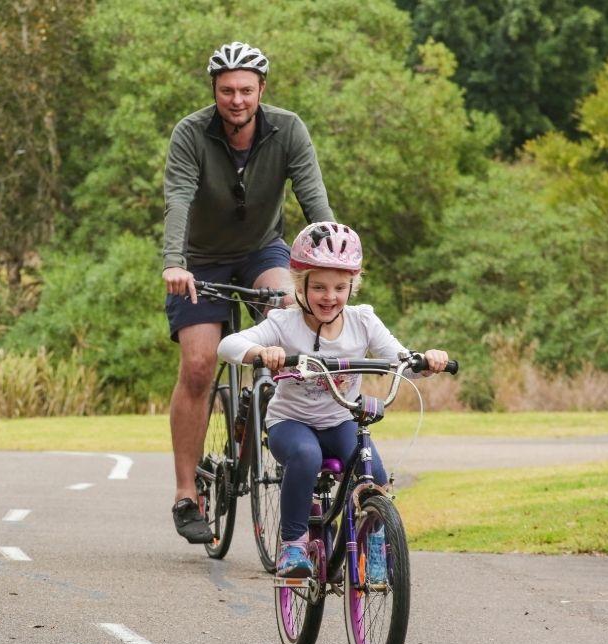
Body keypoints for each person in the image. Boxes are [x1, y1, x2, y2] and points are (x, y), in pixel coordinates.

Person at [163, 41, 335, 543]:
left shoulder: (289, 129)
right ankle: (185, 494)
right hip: (198, 259)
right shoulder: (191, 133)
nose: (236, 100)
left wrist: (329, 260)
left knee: (291, 308)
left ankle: (291, 435)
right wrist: (174, 263)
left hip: (262, 250)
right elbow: (178, 197)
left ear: (262, 90)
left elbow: (314, 199)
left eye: (245, 90)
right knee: (198, 364)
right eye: (225, 91)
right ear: (213, 92)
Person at [217, 222, 449, 577]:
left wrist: (427, 360)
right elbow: (228, 345)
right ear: (301, 285)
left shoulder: (363, 321)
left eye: (341, 287)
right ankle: (293, 546)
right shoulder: (284, 323)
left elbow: (402, 361)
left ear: (352, 286)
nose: (330, 297)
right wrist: (261, 352)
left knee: (374, 473)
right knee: (306, 456)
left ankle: (369, 544)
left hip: (340, 421)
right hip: (290, 424)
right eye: (320, 287)